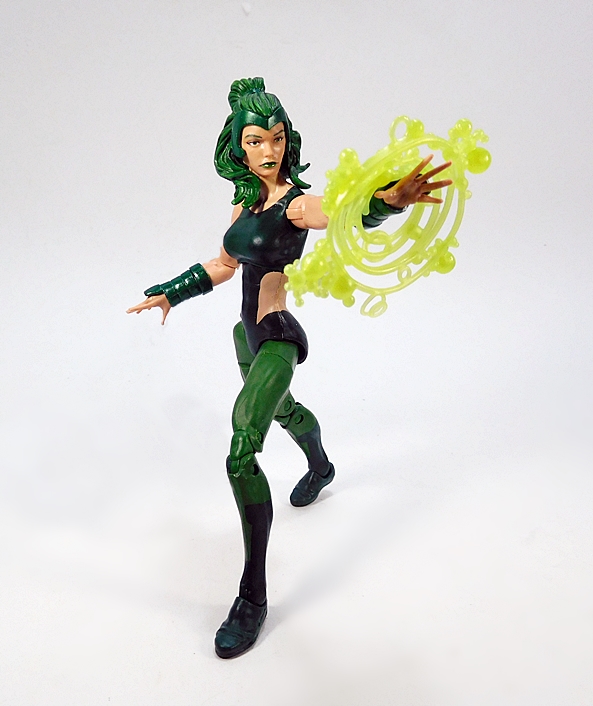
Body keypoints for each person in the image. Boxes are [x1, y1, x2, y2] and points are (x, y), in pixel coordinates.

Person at [127, 77, 451, 658]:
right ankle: (321, 465)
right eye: (256, 140)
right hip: (245, 336)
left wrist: (388, 201)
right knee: (284, 412)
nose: (269, 150)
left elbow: (342, 213)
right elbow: (225, 264)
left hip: (276, 337)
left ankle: (252, 597)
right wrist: (172, 291)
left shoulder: (295, 204)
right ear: (238, 145)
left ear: (287, 140)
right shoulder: (245, 202)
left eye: (276, 137)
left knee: (241, 450)